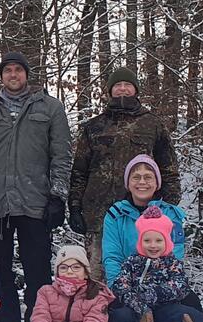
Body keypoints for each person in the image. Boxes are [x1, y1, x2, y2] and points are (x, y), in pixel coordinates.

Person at [0, 52, 72, 322]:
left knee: (37, 269)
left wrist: (58, 196)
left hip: (34, 202)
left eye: (18, 70)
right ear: (1, 76)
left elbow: (61, 155)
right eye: (8, 70)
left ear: (27, 74)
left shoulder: (50, 108)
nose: (13, 75)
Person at [67, 67, 179, 272]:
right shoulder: (94, 126)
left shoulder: (152, 124)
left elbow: (168, 168)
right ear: (110, 91)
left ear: (135, 90)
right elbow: (79, 171)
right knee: (97, 276)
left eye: (127, 85)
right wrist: (74, 207)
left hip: (141, 216)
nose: (122, 89)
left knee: (141, 273)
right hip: (97, 214)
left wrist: (168, 208)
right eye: (117, 85)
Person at [106, 206, 203, 322]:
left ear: (166, 242)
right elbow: (121, 285)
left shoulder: (172, 263)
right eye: (147, 240)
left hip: (165, 309)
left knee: (193, 316)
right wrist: (137, 302)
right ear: (140, 242)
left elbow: (180, 286)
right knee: (118, 317)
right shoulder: (132, 262)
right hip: (136, 310)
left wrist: (154, 293)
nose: (153, 245)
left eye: (158, 240)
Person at [5, 244, 116, 322]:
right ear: (57, 272)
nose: (69, 271)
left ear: (86, 272)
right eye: (63, 268)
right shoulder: (46, 292)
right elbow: (40, 319)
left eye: (76, 267)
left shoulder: (97, 295)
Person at [100, 154, 187, 283]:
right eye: (136, 177)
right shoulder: (115, 215)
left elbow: (176, 254)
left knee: (191, 303)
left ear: (157, 183)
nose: (141, 182)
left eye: (148, 177)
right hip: (126, 284)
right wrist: (118, 287)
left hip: (164, 284)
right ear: (127, 183)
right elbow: (112, 256)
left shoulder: (171, 214)